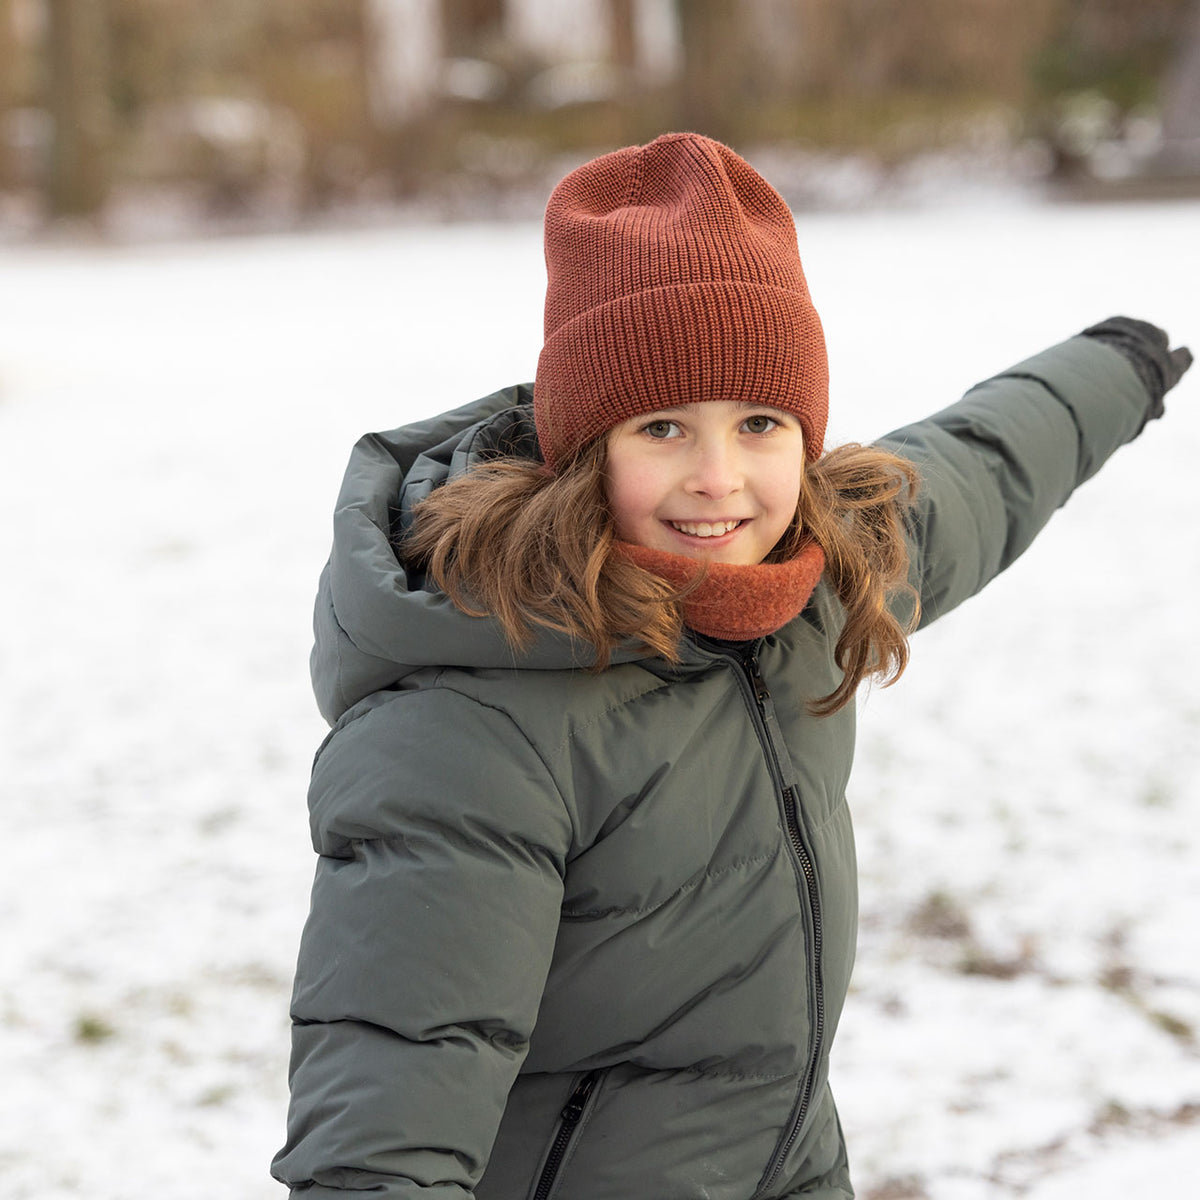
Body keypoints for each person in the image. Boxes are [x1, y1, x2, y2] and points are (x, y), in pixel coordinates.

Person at [272, 133, 1191, 1199]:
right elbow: (387, 1116)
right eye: (662, 427)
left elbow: (977, 468)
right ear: (584, 451)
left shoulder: (812, 579)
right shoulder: (473, 729)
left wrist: (1112, 368)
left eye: (759, 423)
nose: (719, 478)